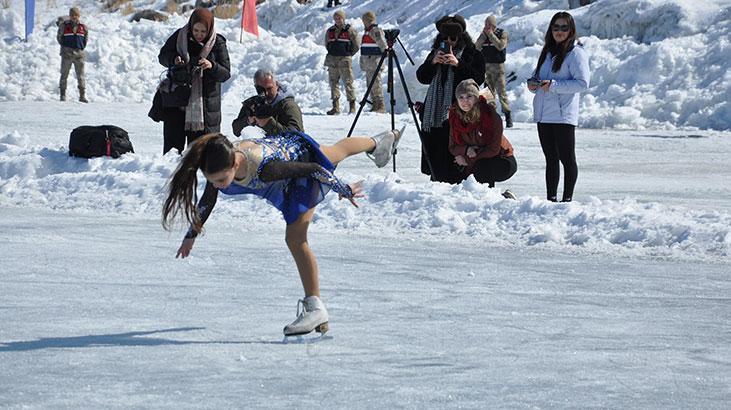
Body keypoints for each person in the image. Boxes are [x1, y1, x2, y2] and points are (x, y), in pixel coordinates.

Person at [162, 128, 402, 336]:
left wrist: (342, 188)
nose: (217, 185)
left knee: (295, 239)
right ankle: (381, 139)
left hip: (302, 168)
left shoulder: (265, 168)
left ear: (235, 164)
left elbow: (314, 168)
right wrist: (191, 235)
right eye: (212, 180)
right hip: (286, 161)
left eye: (222, 180)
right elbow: (208, 199)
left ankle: (315, 308)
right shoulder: (219, 160)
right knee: (337, 150)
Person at [528, 11, 590, 202]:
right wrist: (532, 82)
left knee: (567, 159)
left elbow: (582, 83)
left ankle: (567, 199)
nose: (560, 31)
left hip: (563, 115)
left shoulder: (576, 53)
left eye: (564, 27)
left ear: (571, 30)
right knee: (550, 159)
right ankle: (551, 198)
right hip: (543, 114)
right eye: (556, 27)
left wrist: (554, 86)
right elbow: (538, 76)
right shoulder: (547, 52)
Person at [416, 15, 485, 184]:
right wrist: (432, 63)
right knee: (436, 154)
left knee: (455, 156)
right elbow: (422, 78)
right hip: (435, 114)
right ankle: (436, 181)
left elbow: (478, 79)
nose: (449, 42)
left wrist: (458, 64)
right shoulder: (435, 53)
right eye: (444, 38)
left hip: (460, 113)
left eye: (453, 38)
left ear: (461, 37)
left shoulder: (472, 53)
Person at [157, 8, 231, 155]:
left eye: (203, 32)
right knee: (172, 153)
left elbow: (225, 74)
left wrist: (212, 66)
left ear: (209, 29)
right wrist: (174, 59)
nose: (199, 35)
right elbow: (162, 56)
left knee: (199, 155)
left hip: (204, 110)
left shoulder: (218, 43)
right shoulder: (179, 36)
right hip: (177, 103)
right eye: (196, 30)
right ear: (191, 26)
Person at [448, 79, 516, 198]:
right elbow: (453, 147)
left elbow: (493, 149)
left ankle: (492, 199)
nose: (465, 101)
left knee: (482, 167)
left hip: (502, 159)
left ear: (476, 98)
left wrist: (468, 160)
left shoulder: (490, 116)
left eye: (469, 96)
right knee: (450, 168)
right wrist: (466, 150)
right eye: (461, 97)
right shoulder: (455, 117)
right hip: (472, 157)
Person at [231, 69, 304, 137]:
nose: (266, 93)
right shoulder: (254, 104)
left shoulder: (288, 106)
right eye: (261, 89)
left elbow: (297, 136)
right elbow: (236, 130)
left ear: (276, 84)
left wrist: (268, 123)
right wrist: (248, 121)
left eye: (269, 88)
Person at [474, 15, 512, 128]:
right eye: (485, 25)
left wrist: (491, 35)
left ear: (494, 25)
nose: (487, 27)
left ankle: (508, 115)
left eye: (489, 25)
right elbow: (476, 47)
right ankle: (492, 115)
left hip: (498, 67)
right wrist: (483, 36)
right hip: (486, 67)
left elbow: (501, 46)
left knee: (502, 92)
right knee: (488, 93)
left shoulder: (502, 33)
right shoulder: (484, 35)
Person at [324, 10, 359, 115]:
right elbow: (327, 44)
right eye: (336, 18)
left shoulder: (350, 30)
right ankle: (336, 107)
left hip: (344, 60)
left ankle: (352, 106)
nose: (337, 20)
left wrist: (348, 54)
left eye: (339, 18)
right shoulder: (330, 31)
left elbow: (356, 45)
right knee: (333, 83)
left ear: (343, 18)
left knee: (348, 82)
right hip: (332, 60)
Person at [57, 7, 88, 103]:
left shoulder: (83, 27)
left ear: (79, 16)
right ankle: (62, 94)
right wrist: (66, 48)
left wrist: (80, 47)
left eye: (76, 15)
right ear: (70, 16)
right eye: (72, 15)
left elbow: (85, 40)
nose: (74, 17)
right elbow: (59, 38)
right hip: (67, 54)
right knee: (64, 75)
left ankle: (82, 95)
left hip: (79, 55)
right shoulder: (64, 26)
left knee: (81, 76)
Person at [359, 11, 387, 113]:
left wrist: (386, 52)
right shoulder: (367, 31)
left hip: (375, 63)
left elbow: (382, 43)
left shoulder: (375, 31)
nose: (363, 22)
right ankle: (374, 104)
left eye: (365, 20)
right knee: (370, 85)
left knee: (376, 84)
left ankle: (380, 106)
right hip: (368, 64)